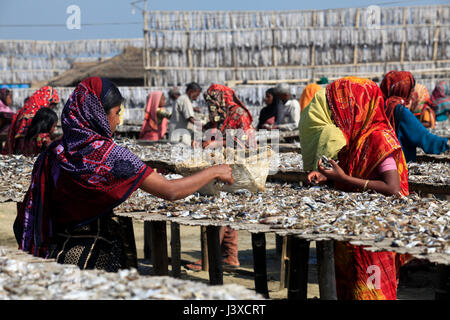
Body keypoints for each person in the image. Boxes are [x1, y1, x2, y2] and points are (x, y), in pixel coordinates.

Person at [13, 77, 234, 272]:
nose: (119, 121)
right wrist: (214, 171)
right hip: (93, 254)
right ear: (99, 114)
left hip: (53, 252)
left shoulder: (52, 154)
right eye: (117, 113)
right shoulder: (111, 155)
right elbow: (171, 190)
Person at [300, 76, 409, 300]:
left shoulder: (379, 138)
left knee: (370, 293)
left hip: (375, 233)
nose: (335, 115)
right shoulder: (353, 138)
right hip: (352, 229)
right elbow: (349, 175)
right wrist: (325, 178)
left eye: (338, 109)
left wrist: (344, 178)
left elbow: (393, 187)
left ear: (355, 106)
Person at [186, 84, 255, 271]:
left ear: (222, 99)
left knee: (219, 211)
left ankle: (208, 258)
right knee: (227, 211)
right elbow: (211, 129)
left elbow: (248, 142)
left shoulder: (238, 113)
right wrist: (200, 139)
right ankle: (230, 257)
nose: (211, 106)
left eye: (213, 102)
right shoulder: (220, 114)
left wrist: (217, 143)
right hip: (220, 167)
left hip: (237, 168)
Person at [380, 71, 449, 163]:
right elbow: (426, 139)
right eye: (411, 90)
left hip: (382, 164)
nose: (412, 94)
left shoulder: (381, 107)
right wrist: (446, 143)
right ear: (403, 90)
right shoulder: (400, 111)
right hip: (398, 165)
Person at [3, 86, 59, 155]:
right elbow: (42, 138)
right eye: (52, 105)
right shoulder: (38, 115)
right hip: (30, 154)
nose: (52, 108)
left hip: (18, 152)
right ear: (45, 100)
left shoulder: (24, 111)